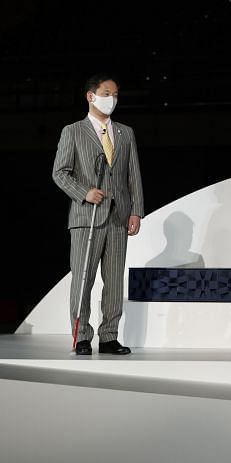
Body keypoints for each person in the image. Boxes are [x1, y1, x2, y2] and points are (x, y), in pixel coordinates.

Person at [53, 74, 144, 355]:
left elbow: (133, 175)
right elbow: (60, 172)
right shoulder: (73, 131)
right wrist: (84, 192)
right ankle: (81, 336)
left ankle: (109, 336)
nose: (112, 99)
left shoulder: (125, 133)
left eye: (116, 94)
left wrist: (136, 211)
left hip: (118, 216)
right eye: (107, 93)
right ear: (91, 96)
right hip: (86, 218)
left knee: (114, 281)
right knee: (83, 278)